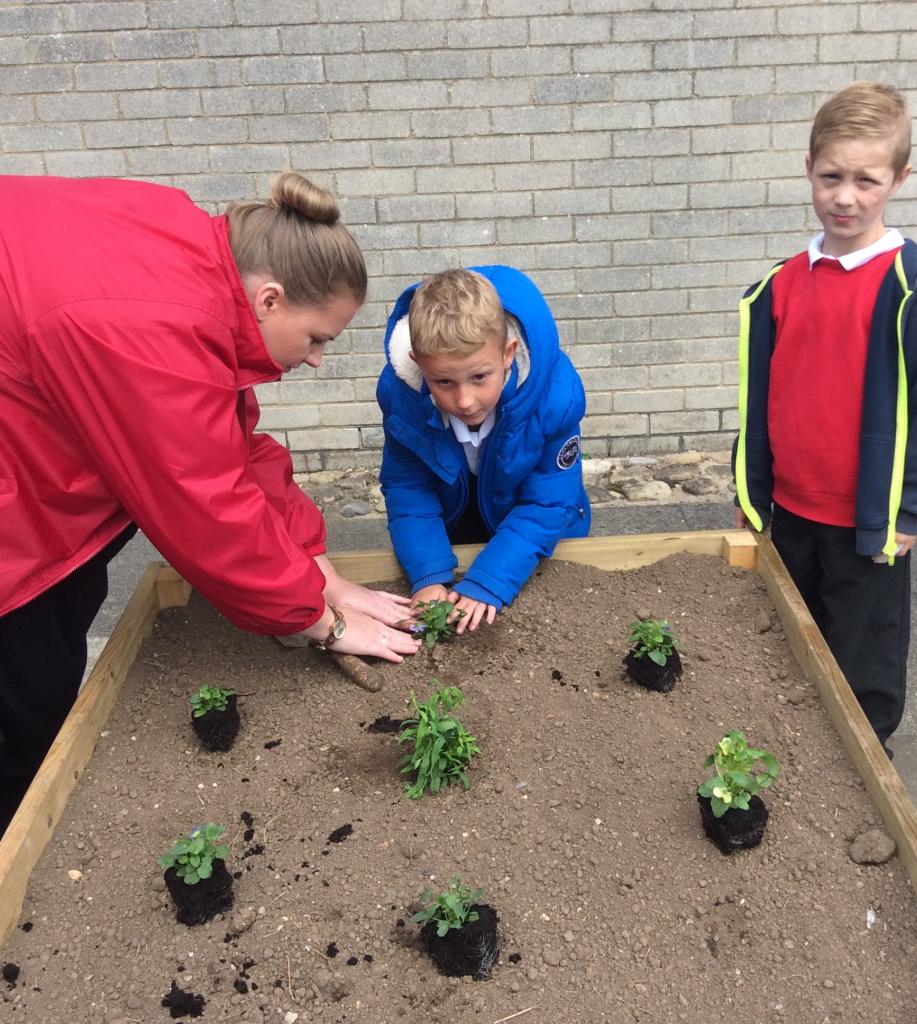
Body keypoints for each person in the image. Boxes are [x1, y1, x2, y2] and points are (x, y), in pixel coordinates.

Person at [0, 171, 420, 833]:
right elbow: (205, 509)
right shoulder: (152, 326)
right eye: (317, 338)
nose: (316, 359)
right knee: (28, 707)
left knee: (60, 629)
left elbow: (228, 444)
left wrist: (319, 569)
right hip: (14, 514)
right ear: (271, 299)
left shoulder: (194, 261)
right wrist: (323, 621)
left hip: (31, 438)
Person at [732, 82, 917, 754]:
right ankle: (797, 761)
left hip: (869, 525)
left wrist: (907, 512)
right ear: (809, 168)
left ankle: (868, 772)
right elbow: (760, 399)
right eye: (832, 176)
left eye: (867, 180)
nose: (846, 197)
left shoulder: (914, 288)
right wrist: (750, 491)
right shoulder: (780, 285)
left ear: (899, 179)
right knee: (788, 645)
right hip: (790, 513)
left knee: (865, 663)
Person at [376, 266, 590, 632]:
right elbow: (408, 490)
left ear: (508, 354)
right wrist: (428, 574)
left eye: (479, 377)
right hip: (455, 525)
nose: (465, 400)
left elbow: (548, 503)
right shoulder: (403, 398)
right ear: (418, 363)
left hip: (537, 535)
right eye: (444, 381)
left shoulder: (555, 398)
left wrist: (491, 579)